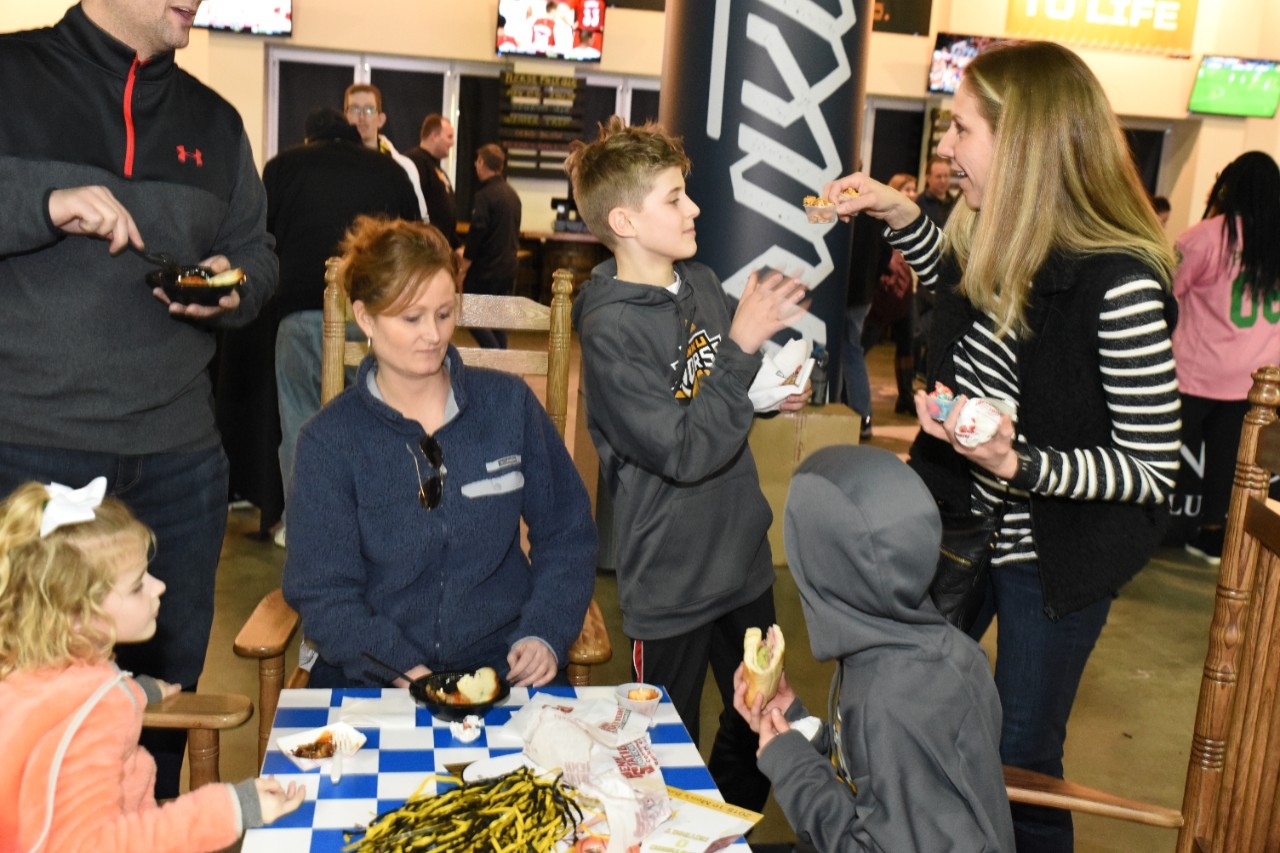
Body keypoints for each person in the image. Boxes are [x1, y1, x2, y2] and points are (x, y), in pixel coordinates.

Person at [824, 41, 1180, 851]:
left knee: (1022, 757)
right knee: (915, 702)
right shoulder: (1003, 236)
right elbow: (958, 287)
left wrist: (1019, 463)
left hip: (1053, 552)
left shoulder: (1116, 282)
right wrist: (899, 213)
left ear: (1023, 143)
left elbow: (1151, 468)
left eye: (963, 129)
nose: (947, 148)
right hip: (965, 525)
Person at [0, 0, 279, 798]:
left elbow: (259, 256)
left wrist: (230, 287)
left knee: (155, 707)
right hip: (26, 453)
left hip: (179, 464)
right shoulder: (12, 76)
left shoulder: (216, 123)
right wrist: (42, 205)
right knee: (24, 707)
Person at [564, 116, 809, 813]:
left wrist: (774, 381)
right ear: (624, 219)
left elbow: (724, 394)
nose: (693, 207)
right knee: (661, 757)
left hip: (742, 562)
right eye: (673, 198)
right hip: (670, 578)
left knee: (759, 728)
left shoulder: (700, 281)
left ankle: (727, 830)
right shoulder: (610, 326)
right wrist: (740, 352)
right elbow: (682, 447)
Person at [282, 216, 596, 690]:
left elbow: (567, 532)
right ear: (365, 317)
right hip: (376, 676)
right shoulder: (329, 442)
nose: (433, 333)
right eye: (411, 318)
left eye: (445, 313)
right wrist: (402, 668)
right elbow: (324, 593)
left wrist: (544, 631)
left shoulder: (510, 406)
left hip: (505, 668)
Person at [733, 445, 1015, 852]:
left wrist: (793, 769)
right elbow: (876, 778)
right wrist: (793, 721)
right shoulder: (935, 648)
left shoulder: (886, 703)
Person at [0, 478, 304, 852]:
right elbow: (102, 845)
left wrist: (133, 692)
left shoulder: (23, 672)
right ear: (77, 615)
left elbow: (56, 710)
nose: (158, 586)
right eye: (136, 585)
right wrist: (231, 808)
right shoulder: (96, 716)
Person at [264, 107, 422, 548]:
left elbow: (258, 237)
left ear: (309, 139)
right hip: (372, 314)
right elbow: (415, 239)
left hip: (298, 310)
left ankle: (304, 527)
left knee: (299, 419)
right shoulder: (388, 171)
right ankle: (377, 525)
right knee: (376, 418)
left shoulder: (282, 168)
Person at [1172, 151, 1280, 564]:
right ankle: (1212, 536)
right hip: (1253, 380)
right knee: (1228, 465)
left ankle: (1151, 525)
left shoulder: (1206, 236)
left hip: (1194, 372)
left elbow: (1168, 293)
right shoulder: (1274, 243)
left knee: (1164, 450)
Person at [460, 143, 523, 349]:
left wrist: (465, 265)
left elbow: (478, 231)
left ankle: (495, 354)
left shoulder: (485, 196)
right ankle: (502, 360)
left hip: (486, 269)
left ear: (481, 163)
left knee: (469, 312)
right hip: (508, 267)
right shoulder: (513, 195)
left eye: (477, 162)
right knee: (496, 319)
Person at [343, 83, 428, 220]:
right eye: (354, 109)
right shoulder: (334, 165)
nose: (362, 117)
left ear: (380, 119)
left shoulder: (404, 167)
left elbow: (420, 220)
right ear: (344, 117)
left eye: (369, 109)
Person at [404, 114, 462, 251]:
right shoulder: (414, 162)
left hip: (440, 247)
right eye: (449, 136)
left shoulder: (437, 168)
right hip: (423, 248)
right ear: (434, 136)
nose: (452, 142)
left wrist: (456, 244)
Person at [916, 155, 957, 227]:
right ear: (928, 178)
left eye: (946, 176)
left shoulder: (955, 203)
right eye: (938, 176)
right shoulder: (918, 205)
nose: (943, 180)